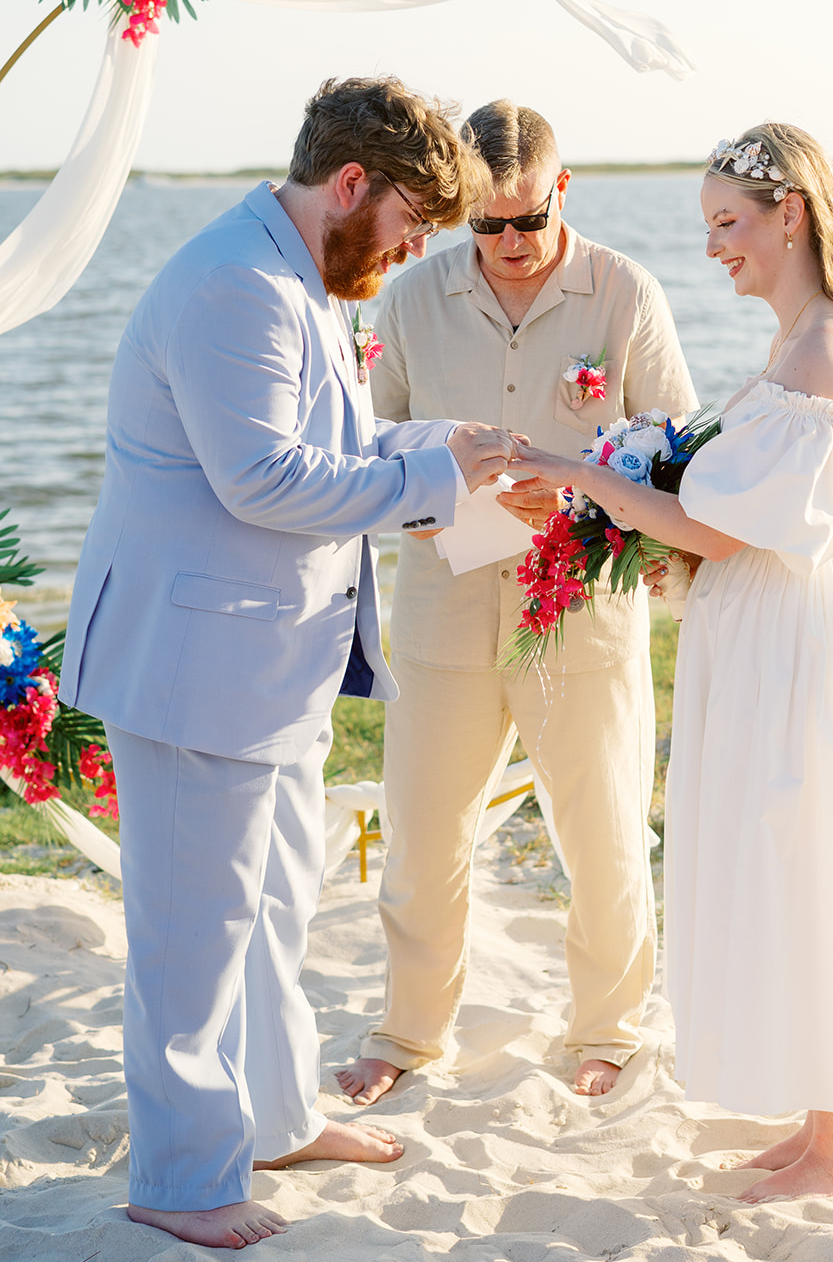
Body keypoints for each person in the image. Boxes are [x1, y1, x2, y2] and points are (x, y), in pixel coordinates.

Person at [58, 77, 517, 1250]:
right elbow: (263, 480)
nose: (416, 246)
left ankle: (272, 1120)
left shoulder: (302, 272)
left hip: (269, 661)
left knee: (268, 910)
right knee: (191, 934)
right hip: (194, 661)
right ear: (350, 182)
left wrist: (440, 446)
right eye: (414, 217)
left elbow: (340, 445)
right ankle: (179, 1175)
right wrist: (435, 483)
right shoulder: (236, 284)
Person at [511, 123, 833, 1201]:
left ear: (790, 214)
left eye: (728, 222)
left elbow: (721, 526)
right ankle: (823, 1127)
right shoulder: (800, 338)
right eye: (706, 225)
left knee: (822, 861)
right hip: (785, 631)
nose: (714, 246)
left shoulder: (822, 347)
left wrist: (571, 469)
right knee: (796, 861)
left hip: (807, 644)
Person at [335, 99, 696, 1105]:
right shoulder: (406, 302)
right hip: (442, 607)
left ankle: (609, 1031)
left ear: (560, 190)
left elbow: (675, 452)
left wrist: (578, 485)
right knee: (420, 837)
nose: (507, 244)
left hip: (579, 612)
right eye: (486, 225)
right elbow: (371, 445)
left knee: (604, 833)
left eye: (525, 221)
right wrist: (436, 494)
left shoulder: (624, 292)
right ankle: (408, 1034)